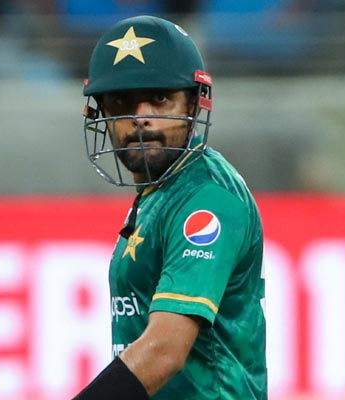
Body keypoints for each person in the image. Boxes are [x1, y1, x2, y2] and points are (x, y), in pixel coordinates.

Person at [73, 15, 267, 399]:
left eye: (159, 99)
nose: (140, 118)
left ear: (194, 103)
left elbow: (164, 351)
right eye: (122, 101)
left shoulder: (206, 199)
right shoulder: (159, 193)